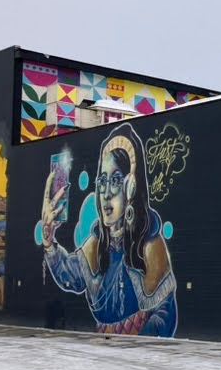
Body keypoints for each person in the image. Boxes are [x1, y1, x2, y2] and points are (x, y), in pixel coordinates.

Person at [41, 123, 178, 336]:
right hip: (103, 352)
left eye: (115, 180)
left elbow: (165, 315)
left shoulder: (150, 247)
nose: (105, 192)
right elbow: (72, 276)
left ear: (131, 186)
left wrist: (136, 345)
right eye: (102, 181)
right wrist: (49, 243)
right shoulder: (96, 245)